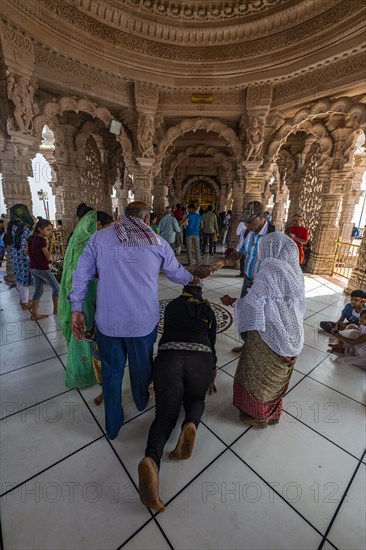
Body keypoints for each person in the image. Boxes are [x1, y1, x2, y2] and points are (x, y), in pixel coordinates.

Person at [68, 201, 202, 440]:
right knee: (142, 368)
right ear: (146, 219)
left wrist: (77, 307)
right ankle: (140, 401)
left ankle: (112, 425)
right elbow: (176, 273)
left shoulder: (100, 238)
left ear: (123, 216)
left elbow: (81, 274)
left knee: (111, 372)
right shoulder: (157, 242)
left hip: (109, 322)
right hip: (141, 323)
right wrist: (193, 278)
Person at [138, 282, 217, 512]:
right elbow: (211, 343)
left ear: (183, 289)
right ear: (201, 293)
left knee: (164, 415)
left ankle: (151, 460)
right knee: (196, 399)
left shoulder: (172, 305)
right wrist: (212, 369)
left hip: (169, 356)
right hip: (200, 357)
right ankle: (190, 423)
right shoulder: (208, 309)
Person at [220, 232, 305, 428]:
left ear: (270, 250)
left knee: (256, 375)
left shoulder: (269, 272)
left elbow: (252, 302)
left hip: (269, 333)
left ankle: (256, 415)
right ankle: (271, 413)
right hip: (293, 334)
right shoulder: (295, 273)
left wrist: (231, 301)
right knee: (276, 378)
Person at [211, 201, 276, 352]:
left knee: (261, 317)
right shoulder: (247, 233)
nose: (246, 225)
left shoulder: (274, 235)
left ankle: (258, 349)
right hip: (248, 280)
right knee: (245, 313)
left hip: (264, 285)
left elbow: (278, 266)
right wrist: (223, 262)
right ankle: (247, 344)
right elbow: (238, 253)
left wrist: (264, 283)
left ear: (261, 217)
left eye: (250, 221)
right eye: (245, 222)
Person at [27, 218, 60, 320]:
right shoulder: (41, 240)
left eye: (50, 230)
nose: (50, 232)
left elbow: (26, 252)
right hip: (42, 268)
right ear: (40, 229)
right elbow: (47, 255)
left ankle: (34, 314)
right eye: (48, 230)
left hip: (33, 267)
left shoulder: (31, 238)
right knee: (56, 288)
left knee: (39, 290)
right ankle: (56, 310)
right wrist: (50, 243)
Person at [5, 204, 34, 309]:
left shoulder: (10, 225)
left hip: (15, 255)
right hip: (23, 257)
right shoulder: (23, 227)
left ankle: (23, 300)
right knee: (25, 280)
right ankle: (25, 303)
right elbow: (26, 244)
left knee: (20, 278)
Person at [181, 203, 201, 267]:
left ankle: (190, 264)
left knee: (189, 250)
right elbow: (202, 225)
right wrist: (197, 229)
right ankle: (198, 263)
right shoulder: (199, 216)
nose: (188, 210)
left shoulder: (189, 216)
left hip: (189, 233)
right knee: (197, 249)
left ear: (191, 209)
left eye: (188, 209)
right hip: (196, 234)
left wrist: (180, 225)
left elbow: (183, 223)